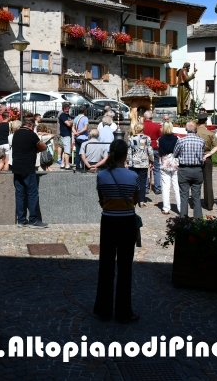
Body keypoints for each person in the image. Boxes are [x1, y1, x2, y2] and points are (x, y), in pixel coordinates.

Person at [94, 139, 140, 324]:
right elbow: (135, 199)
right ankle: (123, 311)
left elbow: (101, 198)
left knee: (106, 265)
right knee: (125, 267)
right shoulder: (133, 176)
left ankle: (103, 309)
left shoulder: (102, 176)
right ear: (125, 154)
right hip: (127, 221)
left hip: (108, 220)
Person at [12, 118, 48, 227]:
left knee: (20, 194)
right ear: (32, 126)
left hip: (17, 167)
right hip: (28, 167)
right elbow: (43, 147)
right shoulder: (32, 135)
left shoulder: (16, 133)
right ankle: (33, 219)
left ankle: (21, 220)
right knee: (32, 194)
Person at [173, 121, 208, 218]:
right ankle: (198, 219)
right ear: (196, 130)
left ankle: (183, 220)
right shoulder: (201, 141)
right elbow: (202, 154)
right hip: (197, 170)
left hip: (184, 169)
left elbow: (175, 154)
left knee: (184, 196)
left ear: (186, 129)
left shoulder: (181, 141)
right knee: (196, 196)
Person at [127, 123, 153, 208]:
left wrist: (127, 161)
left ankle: (133, 200)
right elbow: (149, 151)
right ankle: (141, 201)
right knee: (142, 182)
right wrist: (152, 161)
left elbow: (129, 151)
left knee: (133, 182)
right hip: (143, 162)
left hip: (133, 162)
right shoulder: (146, 138)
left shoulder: (131, 138)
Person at [195, 114, 217, 211]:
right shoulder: (210, 133)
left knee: (195, 182)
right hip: (207, 157)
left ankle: (196, 203)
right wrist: (208, 154)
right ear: (205, 122)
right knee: (208, 181)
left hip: (196, 158)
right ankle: (209, 204)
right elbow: (216, 147)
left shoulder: (195, 133)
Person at [158, 121, 180, 215]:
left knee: (166, 186)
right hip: (174, 162)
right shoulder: (177, 139)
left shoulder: (160, 139)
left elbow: (160, 151)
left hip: (165, 161)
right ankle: (180, 207)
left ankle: (166, 208)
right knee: (177, 186)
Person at [142, 111, 162, 193]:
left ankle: (146, 187)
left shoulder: (142, 126)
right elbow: (160, 136)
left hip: (144, 147)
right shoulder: (156, 126)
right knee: (156, 169)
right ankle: (157, 188)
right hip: (154, 147)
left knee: (144, 169)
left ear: (144, 117)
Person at [73, 105, 91, 171]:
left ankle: (77, 167)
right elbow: (85, 128)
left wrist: (76, 133)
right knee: (84, 153)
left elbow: (72, 127)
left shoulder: (75, 118)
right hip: (83, 137)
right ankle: (83, 166)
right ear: (84, 111)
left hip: (77, 138)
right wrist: (79, 133)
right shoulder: (85, 118)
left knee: (78, 152)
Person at [57, 103, 73, 169]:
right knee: (67, 151)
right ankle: (67, 165)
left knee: (64, 150)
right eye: (66, 109)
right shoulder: (62, 115)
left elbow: (70, 123)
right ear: (63, 109)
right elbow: (68, 124)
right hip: (65, 135)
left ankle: (62, 164)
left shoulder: (67, 115)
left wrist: (70, 121)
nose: (67, 110)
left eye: (68, 109)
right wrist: (71, 121)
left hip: (67, 134)